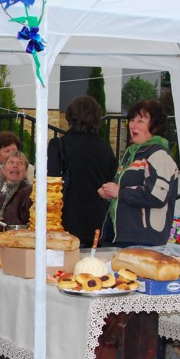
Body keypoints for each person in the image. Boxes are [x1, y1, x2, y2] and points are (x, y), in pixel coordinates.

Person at [97, 98, 178, 247]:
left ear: (155, 127)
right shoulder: (132, 153)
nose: (133, 125)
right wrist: (109, 193)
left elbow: (156, 196)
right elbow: (125, 190)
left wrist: (119, 192)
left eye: (140, 121)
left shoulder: (159, 155)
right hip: (121, 236)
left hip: (144, 240)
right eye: (132, 120)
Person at [46, 95, 118, 248]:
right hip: (97, 222)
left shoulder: (58, 145)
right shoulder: (105, 148)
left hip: (65, 221)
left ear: (69, 117)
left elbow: (50, 182)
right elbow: (111, 177)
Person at [0, 150, 33, 226]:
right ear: (3, 169)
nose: (15, 166)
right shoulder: (0, 187)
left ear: (25, 171)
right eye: (11, 162)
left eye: (20, 163)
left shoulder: (29, 192)